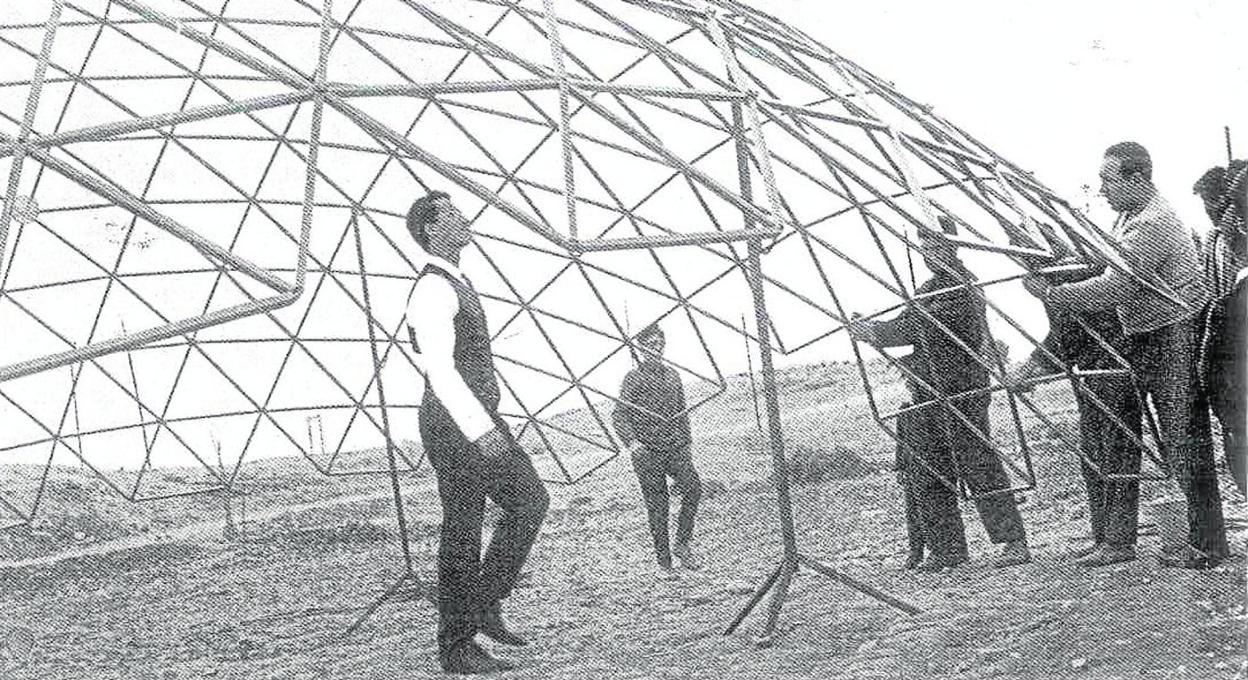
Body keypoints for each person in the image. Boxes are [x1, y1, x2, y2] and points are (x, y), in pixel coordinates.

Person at [1028, 142, 1228, 569]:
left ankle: (1208, 545)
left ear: (1136, 179)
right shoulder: (1128, 218)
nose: (1102, 189)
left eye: (1107, 179)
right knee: (1175, 440)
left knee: (1185, 440)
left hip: (1172, 335)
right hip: (1147, 336)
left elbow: (1115, 286)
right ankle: (1195, 540)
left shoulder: (1152, 222)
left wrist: (1054, 294)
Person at [405, 191, 550, 674]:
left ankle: (486, 603)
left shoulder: (456, 282)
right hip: (455, 423)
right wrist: (479, 429)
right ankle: (455, 646)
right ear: (432, 228)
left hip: (474, 417)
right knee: (463, 528)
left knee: (529, 500)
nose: (466, 218)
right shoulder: (432, 289)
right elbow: (440, 370)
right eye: (453, 213)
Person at [851, 216, 1031, 571]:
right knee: (927, 467)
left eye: (934, 244)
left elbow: (920, 328)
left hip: (962, 391)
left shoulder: (961, 287)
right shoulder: (929, 288)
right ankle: (947, 549)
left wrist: (875, 330)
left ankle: (1013, 541)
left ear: (952, 246)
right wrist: (875, 330)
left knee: (978, 464)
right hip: (928, 391)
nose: (927, 252)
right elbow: (909, 325)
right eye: (923, 245)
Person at [1013, 262, 1143, 567]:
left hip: (1112, 367)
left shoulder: (1072, 275)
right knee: (1094, 456)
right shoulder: (1060, 276)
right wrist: (1035, 367)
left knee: (1115, 455)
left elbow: (1070, 333)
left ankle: (1119, 541)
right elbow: (1064, 333)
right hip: (1092, 371)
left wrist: (1034, 367)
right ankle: (1105, 537)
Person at [612, 323, 703, 578]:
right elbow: (619, 415)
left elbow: (682, 411)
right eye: (651, 345)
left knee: (693, 488)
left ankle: (683, 545)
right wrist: (632, 442)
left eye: (660, 344)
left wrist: (686, 443)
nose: (657, 349)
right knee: (658, 505)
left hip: (674, 447)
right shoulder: (633, 378)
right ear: (641, 348)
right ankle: (665, 564)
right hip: (647, 452)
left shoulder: (673, 375)